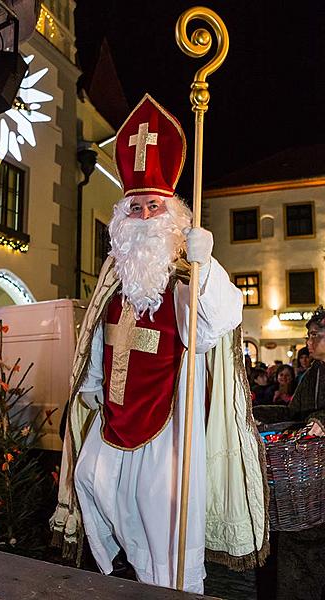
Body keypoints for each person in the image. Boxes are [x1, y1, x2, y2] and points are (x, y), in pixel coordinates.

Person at [51, 94, 268, 594]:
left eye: (154, 206)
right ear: (122, 218)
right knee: (93, 482)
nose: (145, 214)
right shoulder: (114, 279)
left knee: (165, 528)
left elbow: (220, 321)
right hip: (115, 420)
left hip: (171, 432)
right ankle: (127, 570)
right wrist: (90, 387)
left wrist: (205, 262)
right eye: (137, 206)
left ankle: (171, 587)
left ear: (172, 215)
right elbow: (99, 344)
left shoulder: (184, 277)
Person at [254, 306, 325, 600]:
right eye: (308, 335)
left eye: (315, 335)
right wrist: (255, 412)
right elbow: (294, 413)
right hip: (308, 478)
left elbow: (313, 417)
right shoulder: (313, 373)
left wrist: (321, 420)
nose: (308, 342)